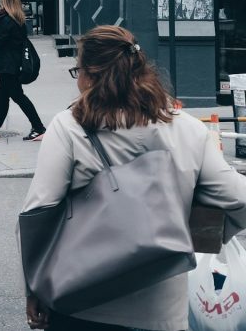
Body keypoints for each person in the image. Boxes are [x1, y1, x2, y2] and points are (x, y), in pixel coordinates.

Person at [24, 25, 246, 331]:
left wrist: (35, 287)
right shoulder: (188, 129)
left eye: (78, 71)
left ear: (90, 74)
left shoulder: (69, 128)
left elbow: (39, 212)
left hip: (81, 304)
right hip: (162, 311)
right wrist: (190, 233)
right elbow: (238, 199)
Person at [0, 0, 46, 141]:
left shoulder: (7, 20)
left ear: (5, 2)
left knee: (17, 96)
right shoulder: (15, 18)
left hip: (10, 66)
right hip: (11, 64)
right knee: (3, 96)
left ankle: (39, 127)